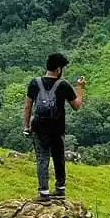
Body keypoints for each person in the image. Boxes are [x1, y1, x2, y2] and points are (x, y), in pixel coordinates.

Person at [23, 53, 85, 201]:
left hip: (39, 127)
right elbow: (76, 106)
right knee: (58, 157)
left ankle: (43, 193)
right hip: (57, 128)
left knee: (42, 158)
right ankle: (60, 189)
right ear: (58, 69)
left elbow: (27, 107)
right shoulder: (63, 85)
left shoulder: (34, 83)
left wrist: (26, 126)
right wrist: (80, 88)